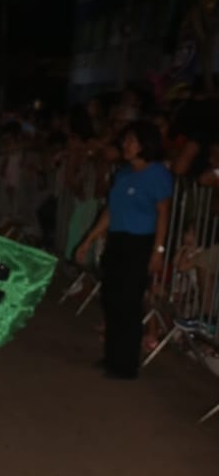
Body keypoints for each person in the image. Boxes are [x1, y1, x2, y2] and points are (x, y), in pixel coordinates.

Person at [75, 119, 174, 380]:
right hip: (118, 240)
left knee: (128, 303)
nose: (125, 145)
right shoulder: (123, 173)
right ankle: (112, 355)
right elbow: (111, 211)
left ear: (145, 144)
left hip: (140, 243)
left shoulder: (157, 174)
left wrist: (158, 250)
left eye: (131, 141)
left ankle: (126, 364)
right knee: (111, 298)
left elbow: (163, 214)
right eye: (125, 140)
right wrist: (88, 239)